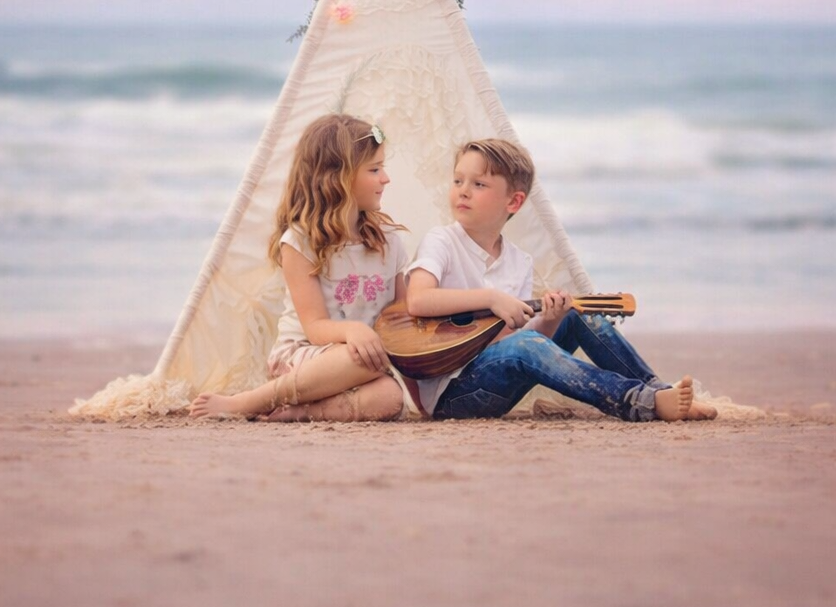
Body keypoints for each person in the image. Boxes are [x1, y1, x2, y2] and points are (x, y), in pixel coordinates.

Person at [406, 137, 717, 423]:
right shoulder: (442, 241)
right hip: (454, 393)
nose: (463, 190)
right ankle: (636, 401)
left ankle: (658, 390)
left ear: (513, 202)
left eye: (478, 184)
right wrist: (491, 298)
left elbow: (509, 342)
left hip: (498, 381)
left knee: (577, 313)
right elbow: (418, 299)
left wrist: (550, 321)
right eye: (458, 180)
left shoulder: (518, 262)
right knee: (525, 345)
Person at [191, 114, 407, 422]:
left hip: (366, 363)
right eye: (375, 169)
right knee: (359, 359)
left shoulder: (389, 242)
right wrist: (353, 331)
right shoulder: (301, 241)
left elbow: (401, 317)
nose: (385, 178)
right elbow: (315, 326)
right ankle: (250, 401)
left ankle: (300, 413)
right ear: (339, 178)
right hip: (304, 357)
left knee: (390, 397)